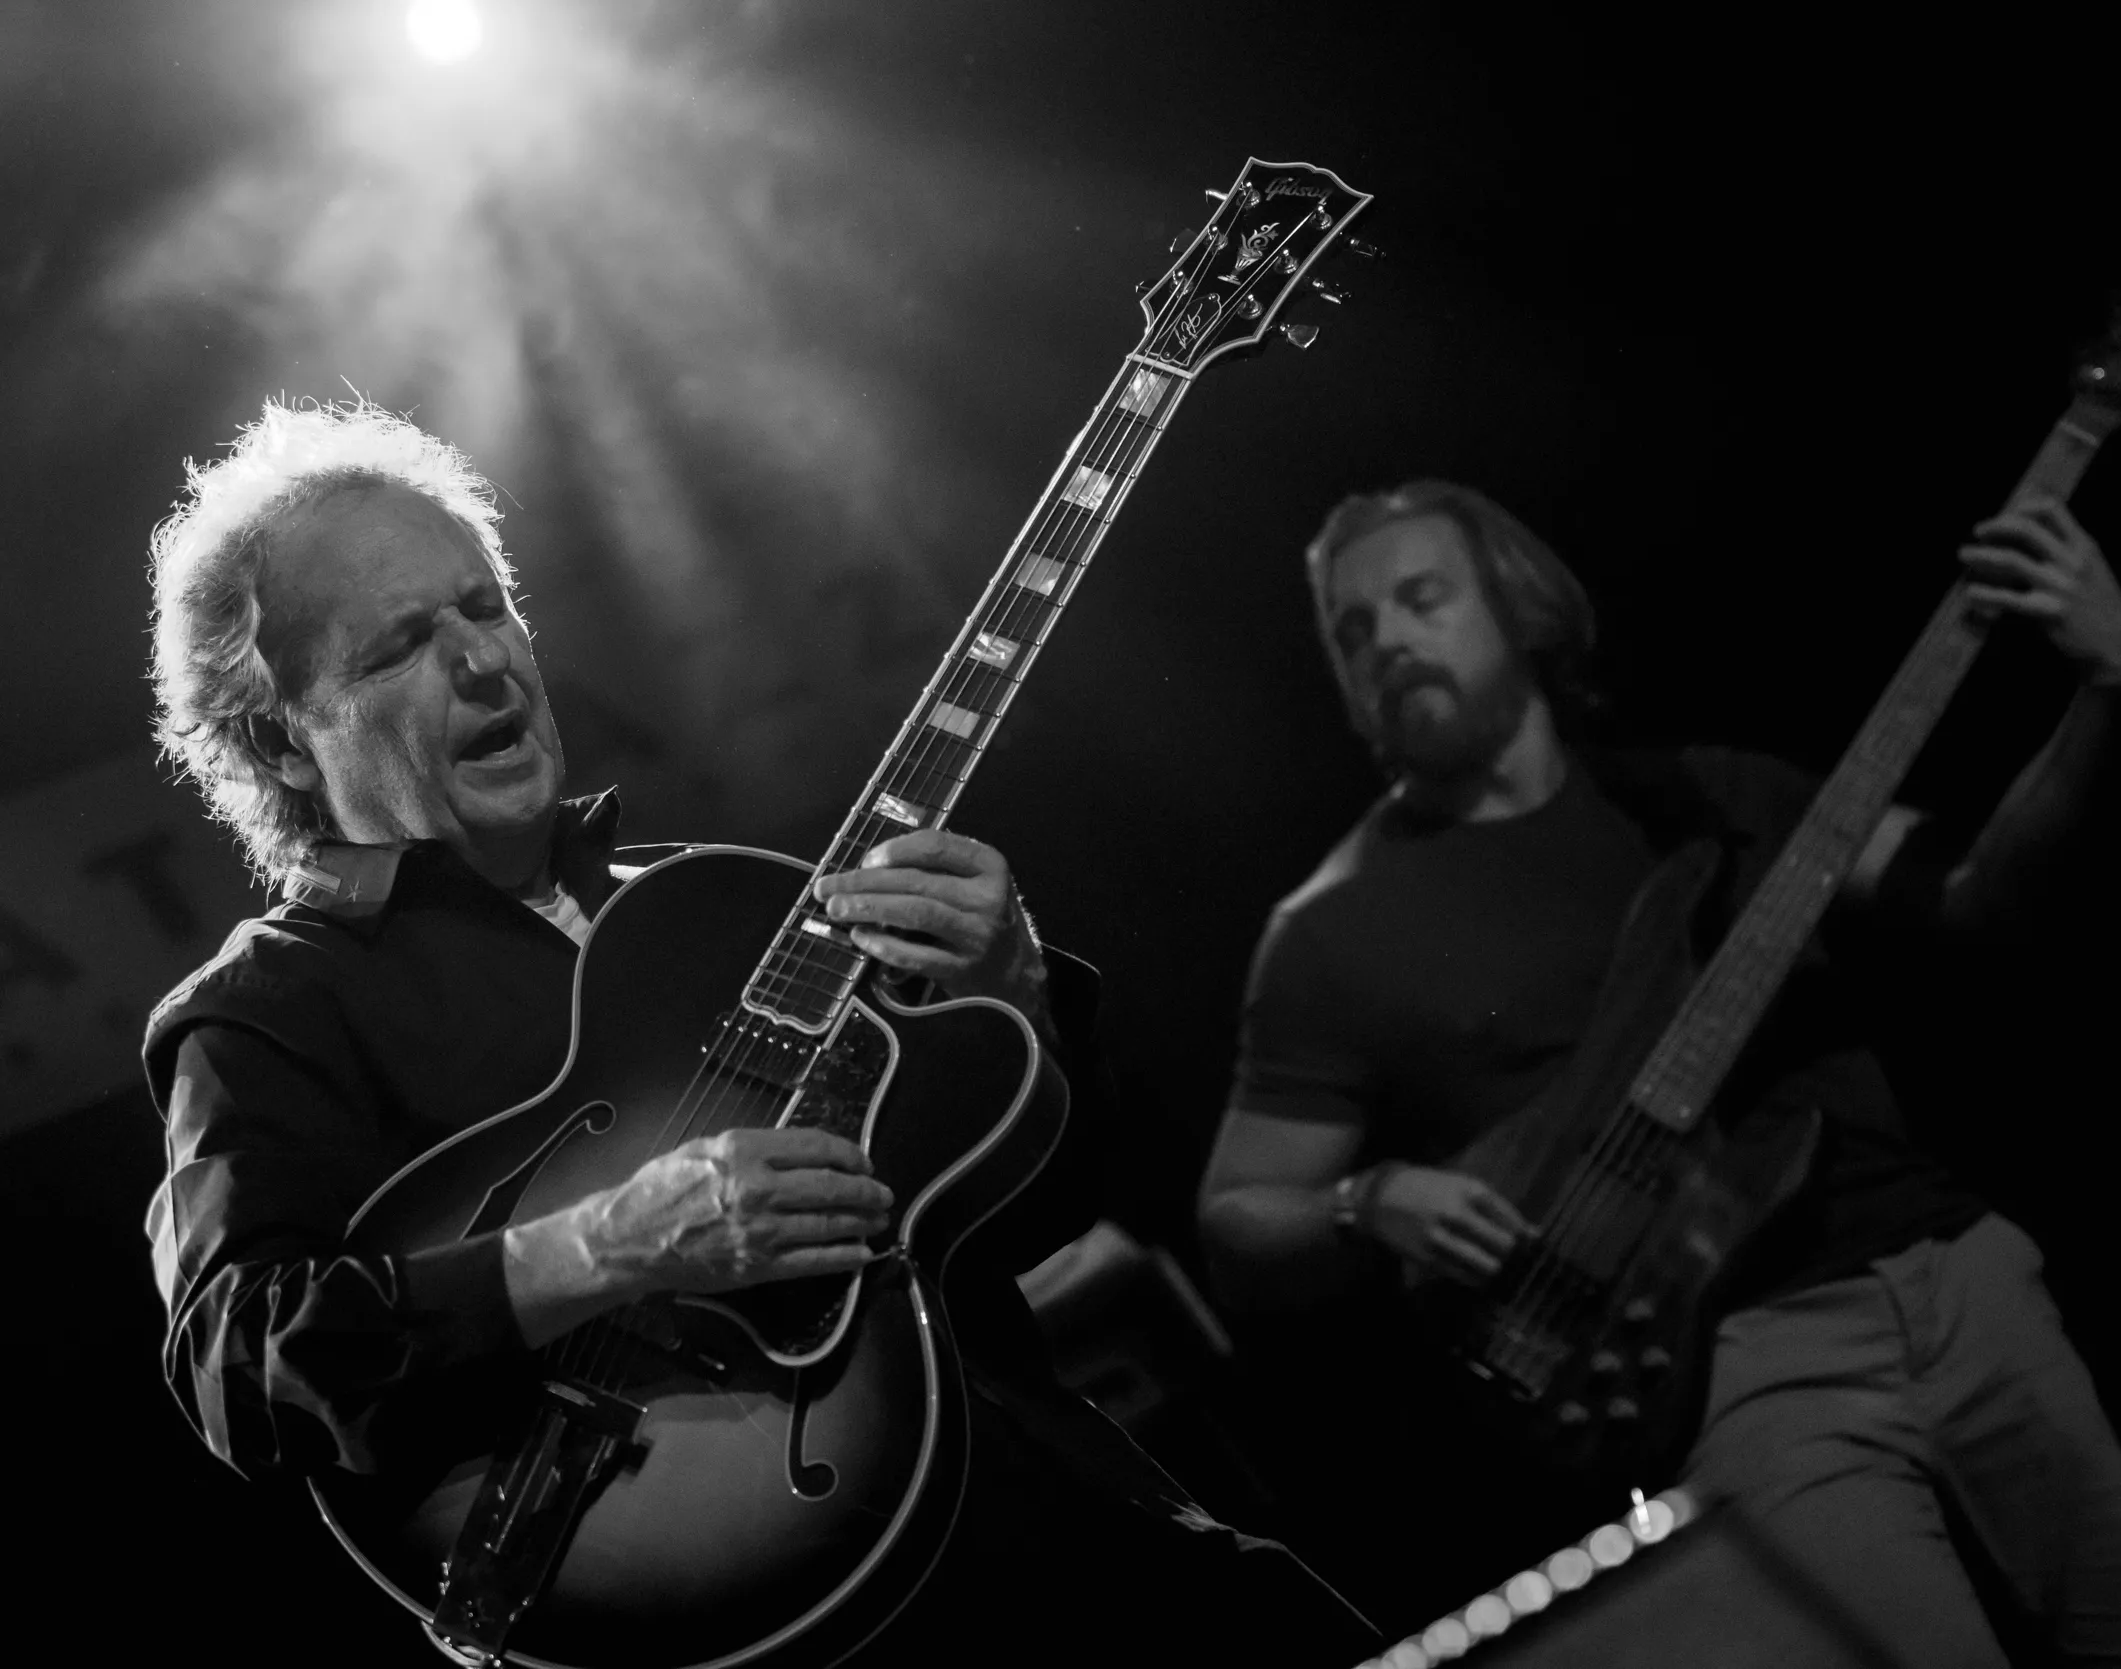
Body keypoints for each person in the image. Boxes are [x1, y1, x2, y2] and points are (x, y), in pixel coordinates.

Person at [142, 397, 1373, 1667]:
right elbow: (241, 1363)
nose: (484, 661)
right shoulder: (266, 1008)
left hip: (1087, 1532)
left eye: (484, 606)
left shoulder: (721, 904)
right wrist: (604, 1244)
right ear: (283, 743)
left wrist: (1012, 993)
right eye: (402, 643)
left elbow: (1026, 1213)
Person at [1197, 480, 2121, 1666]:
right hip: (1733, 1370)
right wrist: (1366, 1199)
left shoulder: (1718, 797)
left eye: (1421, 597)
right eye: (1352, 628)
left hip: (1950, 1269)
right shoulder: (1327, 931)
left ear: (1519, 607)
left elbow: (1976, 902)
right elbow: (1234, 1214)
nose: (1386, 637)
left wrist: (2112, 687)